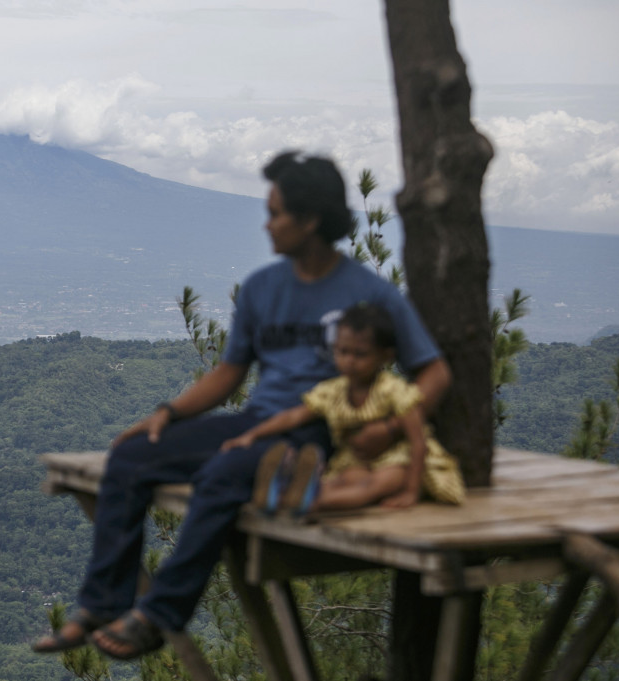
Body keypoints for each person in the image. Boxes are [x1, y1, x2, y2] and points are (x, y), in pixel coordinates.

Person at [31, 150, 453, 661]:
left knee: (225, 473)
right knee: (131, 456)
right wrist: (169, 414)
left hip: (318, 433)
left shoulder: (368, 293)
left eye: (275, 213)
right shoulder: (262, 288)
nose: (266, 224)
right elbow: (229, 373)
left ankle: (160, 614)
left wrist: (388, 431)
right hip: (260, 422)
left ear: (309, 220)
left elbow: (434, 372)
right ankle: (102, 603)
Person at [221, 302, 465, 516]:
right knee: (340, 481)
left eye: (360, 354)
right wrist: (252, 435)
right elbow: (294, 416)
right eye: (343, 351)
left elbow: (418, 442)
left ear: (385, 356)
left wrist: (411, 492)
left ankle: (309, 502)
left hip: (401, 462)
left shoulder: (393, 391)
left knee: (370, 486)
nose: (350, 360)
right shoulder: (334, 391)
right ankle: (288, 495)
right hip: (356, 461)